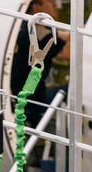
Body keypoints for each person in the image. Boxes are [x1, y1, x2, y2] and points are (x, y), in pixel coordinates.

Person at [9, 0, 70, 128]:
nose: (55, 5)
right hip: (34, 101)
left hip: (16, 94)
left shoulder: (22, 25)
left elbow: (62, 35)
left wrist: (75, 32)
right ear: (37, 8)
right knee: (70, 89)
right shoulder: (40, 36)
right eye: (50, 2)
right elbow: (68, 53)